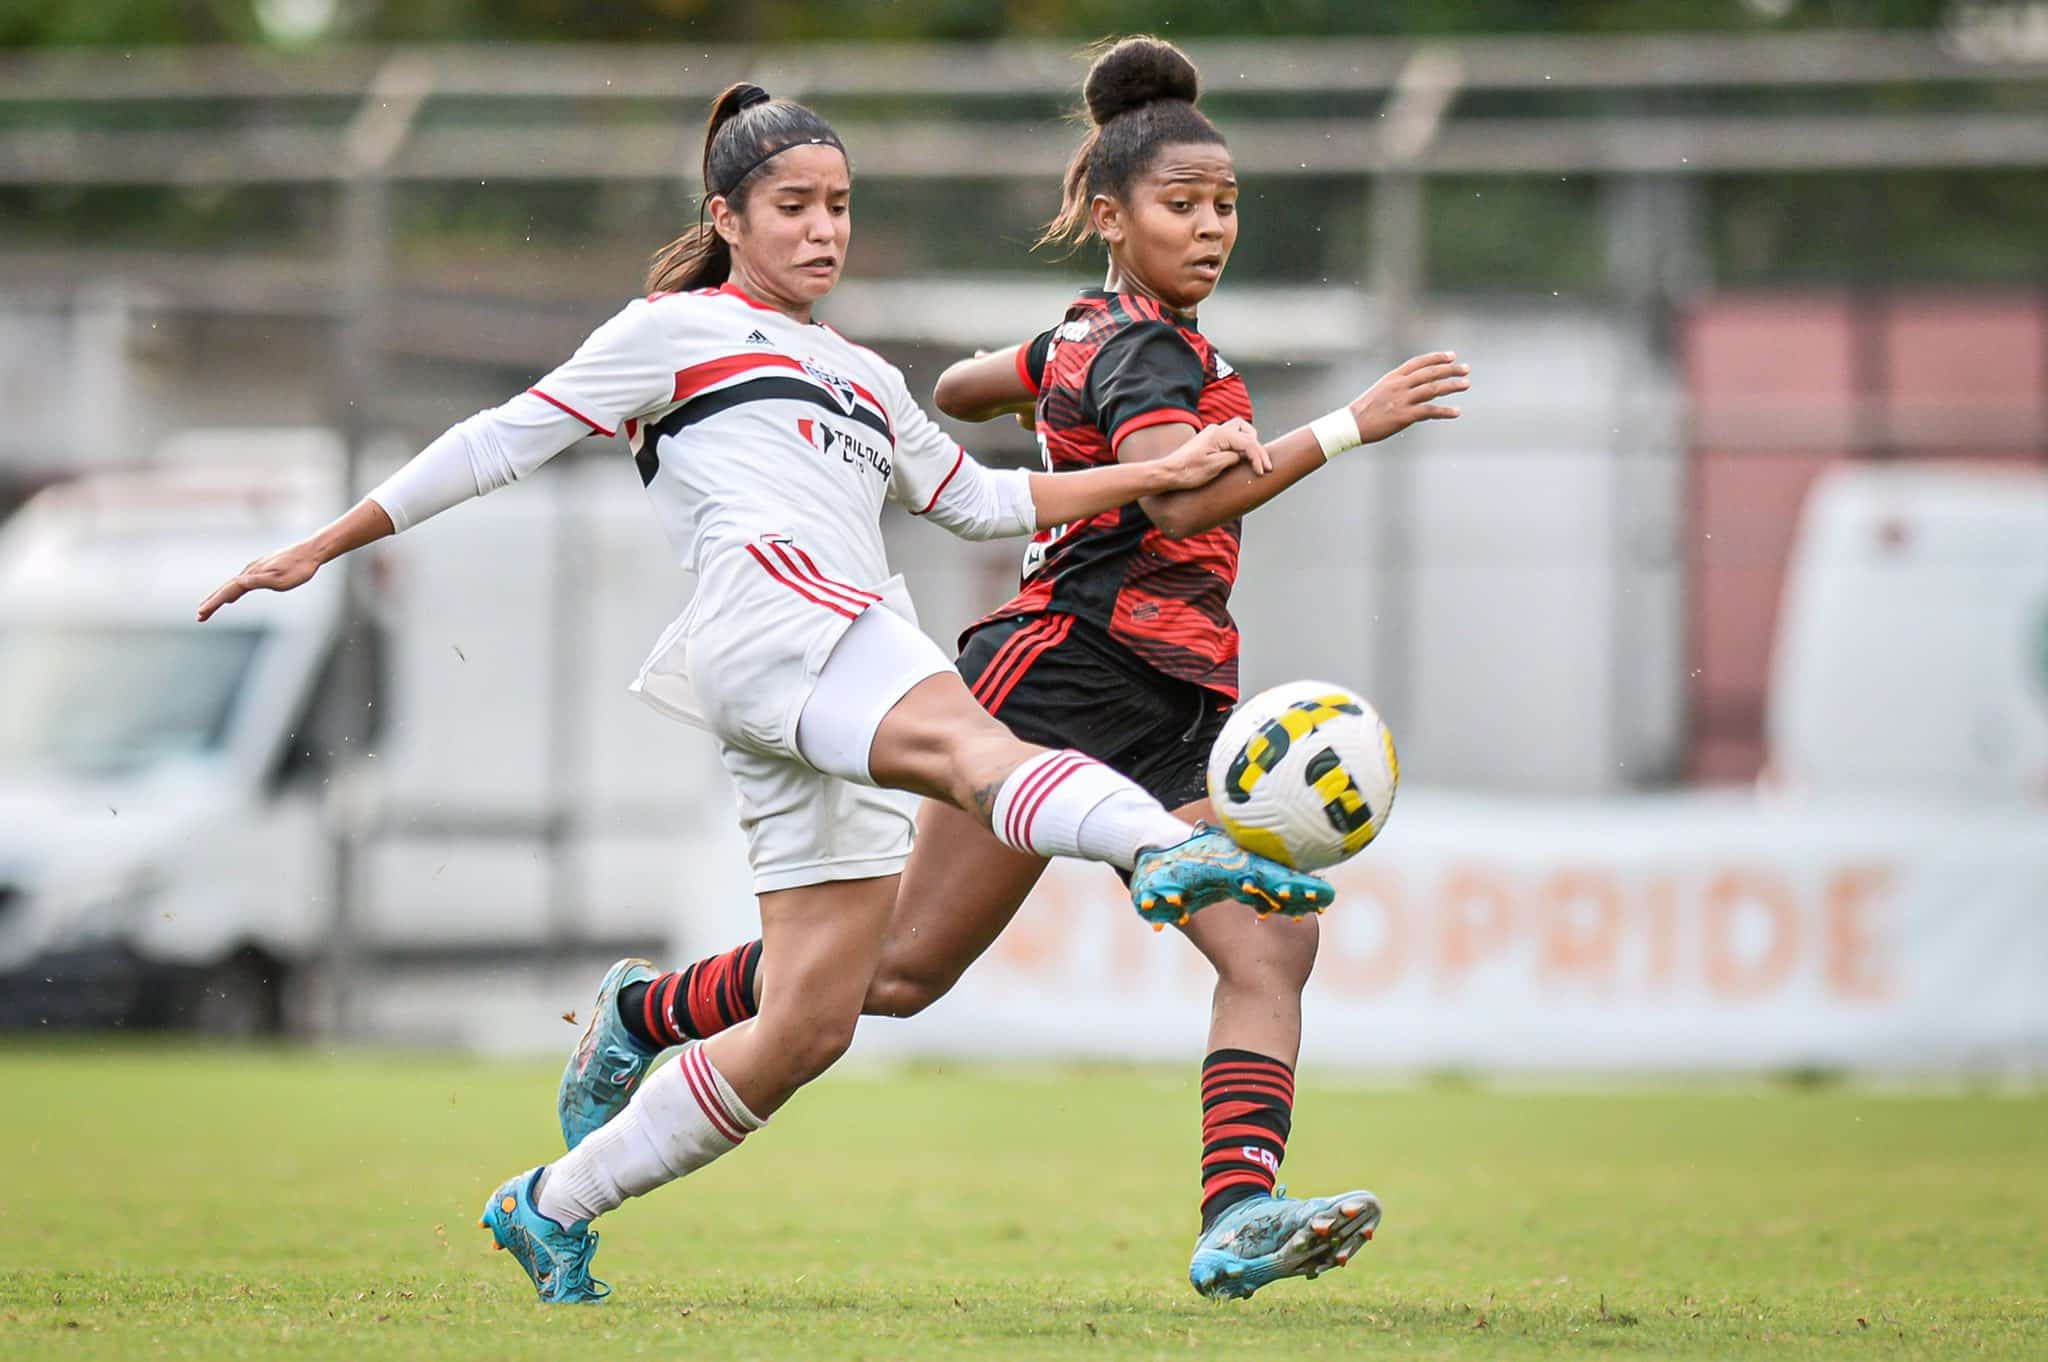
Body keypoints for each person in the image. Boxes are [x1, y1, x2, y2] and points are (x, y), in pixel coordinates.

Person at [195, 81, 1333, 1304]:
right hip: (778, 619)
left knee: (815, 1018)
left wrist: (1133, 476)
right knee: (967, 745)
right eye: (792, 205)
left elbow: (983, 501)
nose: (822, 230)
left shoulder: (859, 373)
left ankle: (551, 1202)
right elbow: (497, 437)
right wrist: (328, 539)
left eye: (838, 206)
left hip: (821, 661)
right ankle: (1158, 852)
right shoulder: (670, 331)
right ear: (727, 216)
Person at [556, 39, 1470, 1301]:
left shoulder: (1106, 334)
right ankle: (647, 1013)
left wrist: (1049, 365)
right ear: (1110, 214)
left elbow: (957, 385)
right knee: (894, 975)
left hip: (1171, 701)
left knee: (1263, 952)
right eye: (1180, 206)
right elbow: (1178, 509)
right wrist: (1349, 422)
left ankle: (1236, 1214)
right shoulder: (1145, 352)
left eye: (1225, 207)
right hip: (1060, 675)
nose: (1211, 230)